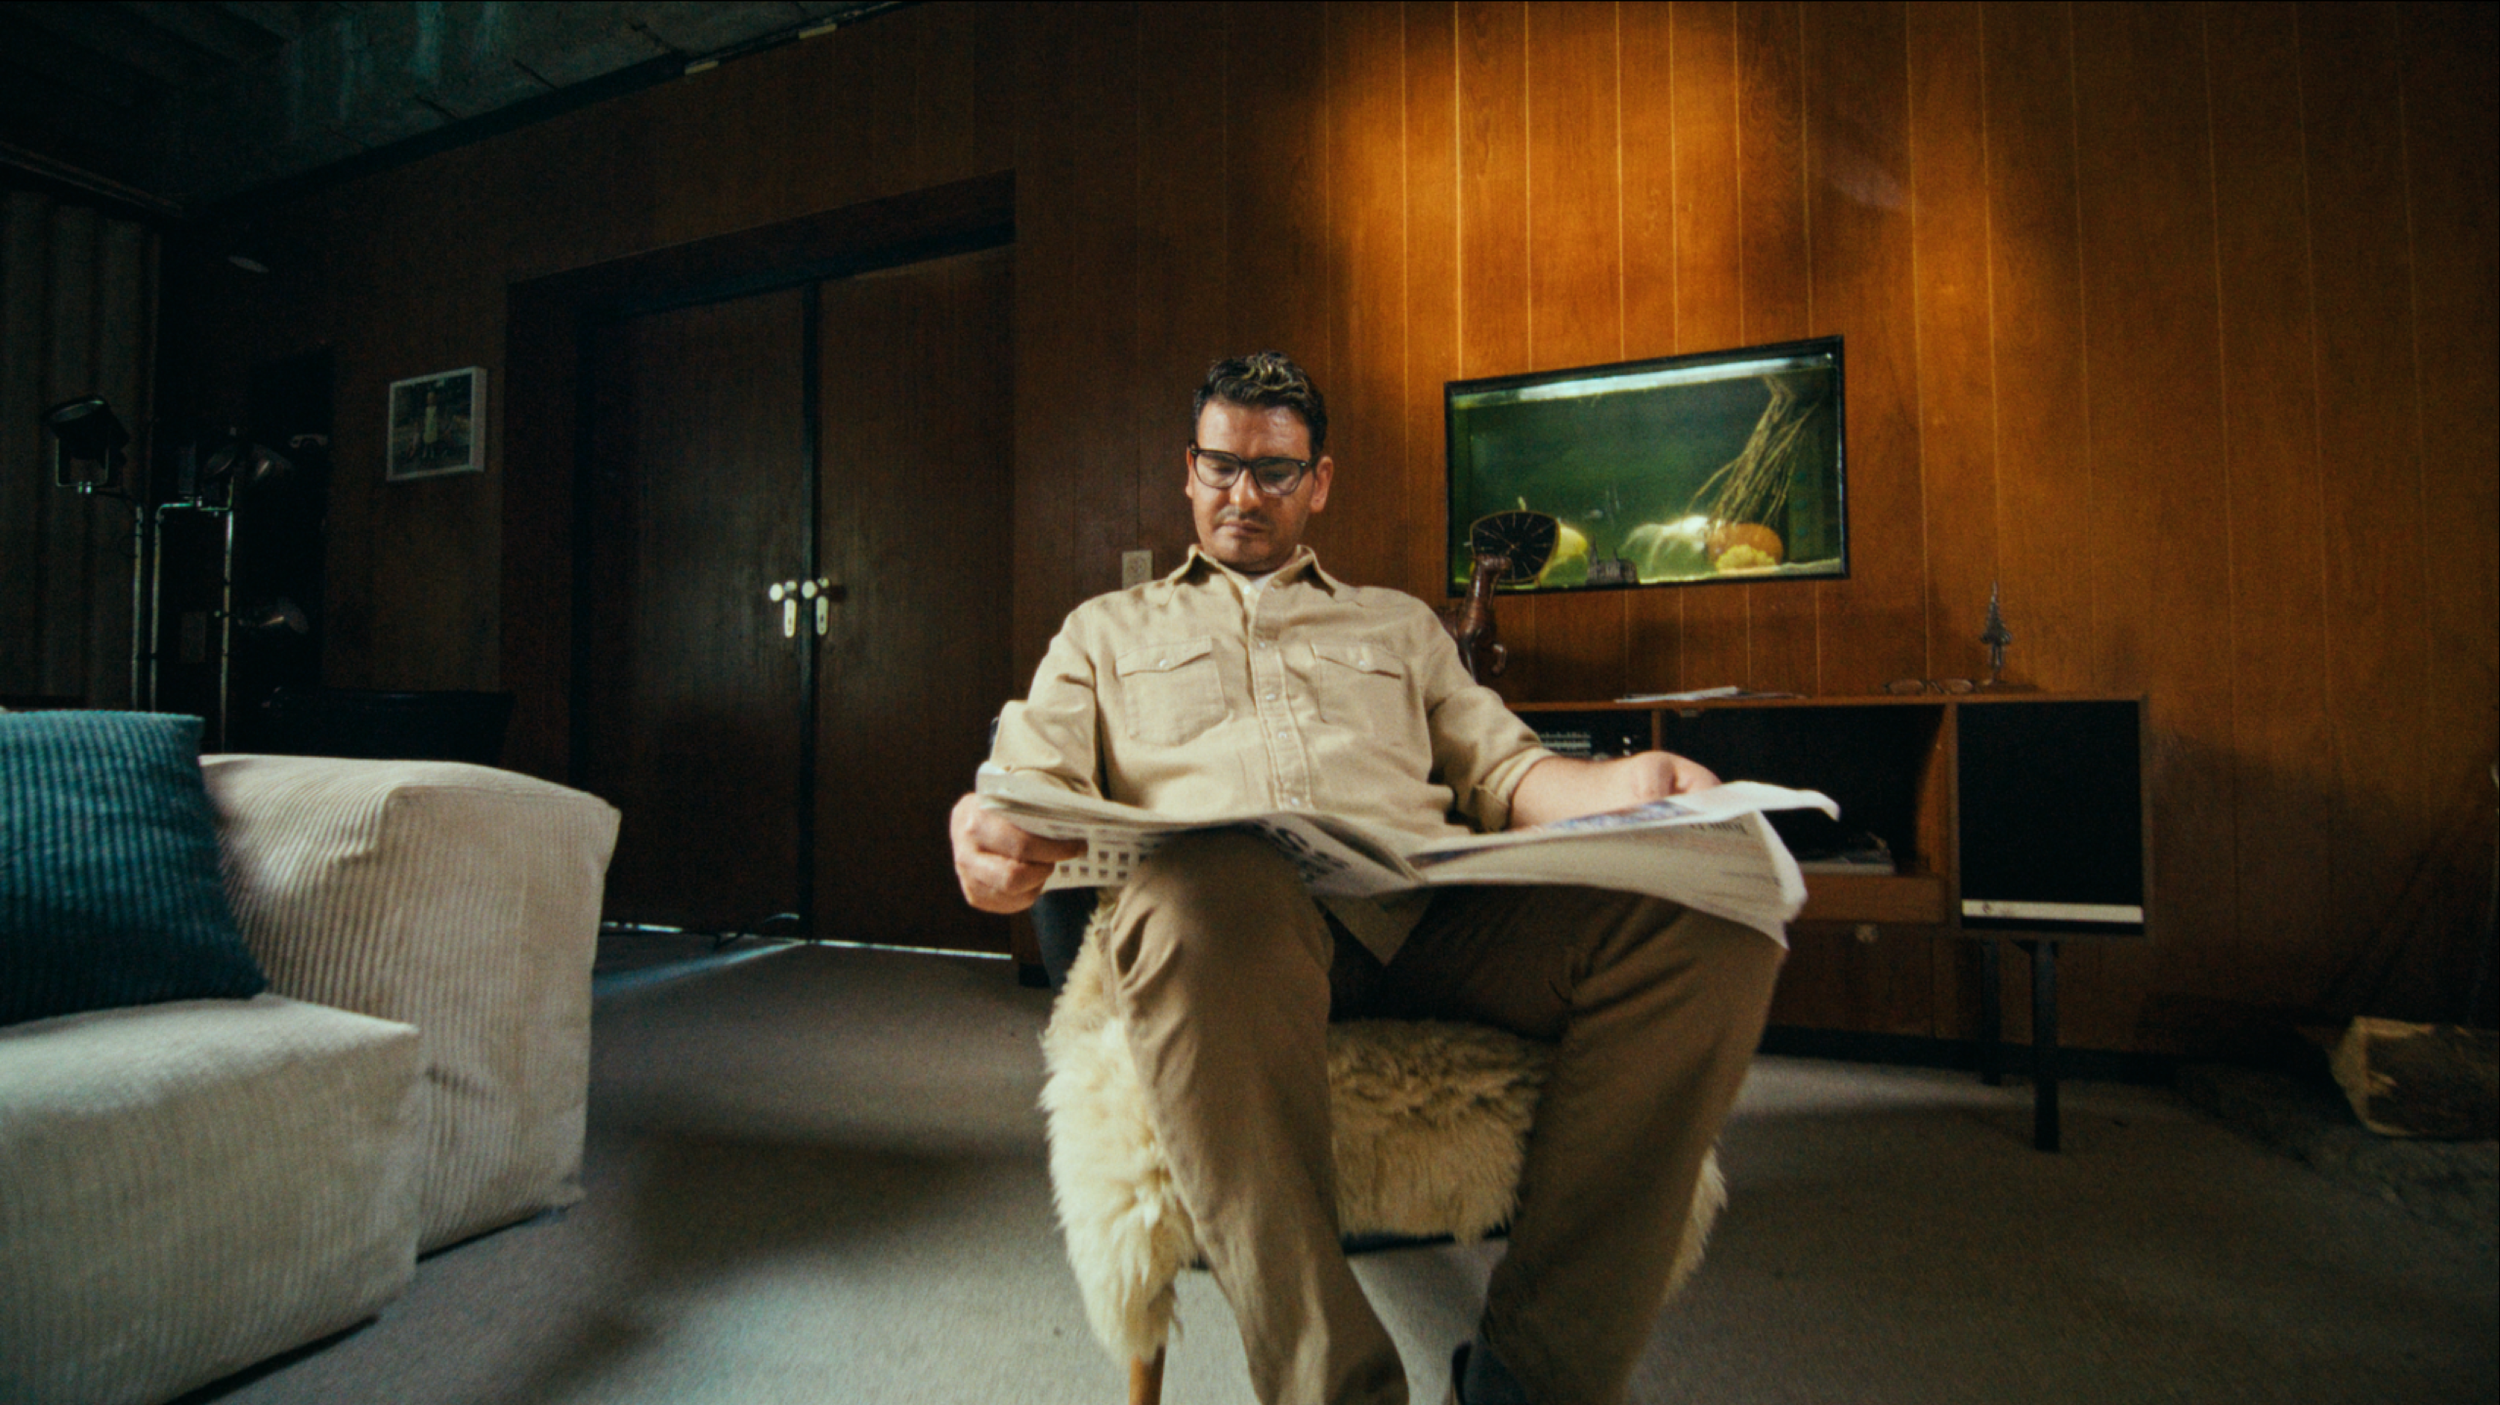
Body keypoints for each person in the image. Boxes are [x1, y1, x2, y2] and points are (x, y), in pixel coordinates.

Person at [950, 352, 1783, 1405]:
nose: (1243, 493)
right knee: (1202, 884)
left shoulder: (1399, 625)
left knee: (1710, 923)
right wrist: (983, 824)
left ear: (1320, 481)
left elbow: (1509, 772)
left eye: (1274, 471)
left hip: (1430, 920)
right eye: (1219, 465)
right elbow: (1029, 780)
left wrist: (1627, 784)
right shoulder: (1104, 632)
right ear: (1188, 471)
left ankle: (1532, 1381)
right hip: (1233, 943)